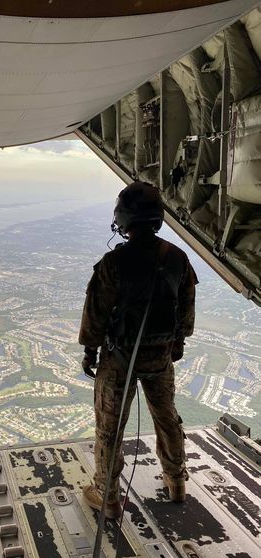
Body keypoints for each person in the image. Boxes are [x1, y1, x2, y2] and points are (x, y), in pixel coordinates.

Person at [79, 182, 197, 519]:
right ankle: (176, 482)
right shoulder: (177, 258)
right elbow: (185, 313)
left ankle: (108, 496)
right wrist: (176, 344)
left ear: (123, 218)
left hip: (119, 359)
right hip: (160, 358)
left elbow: (95, 316)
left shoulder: (113, 262)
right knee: (167, 419)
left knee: (110, 428)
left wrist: (90, 353)